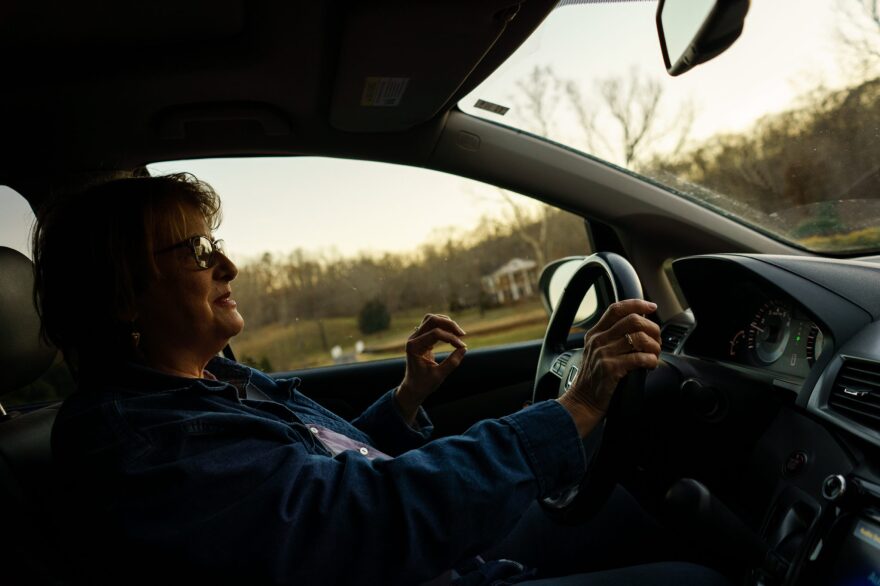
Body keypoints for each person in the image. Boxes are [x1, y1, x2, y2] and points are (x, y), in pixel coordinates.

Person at [33, 173, 727, 585]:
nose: (227, 267)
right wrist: (574, 409)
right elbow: (356, 520)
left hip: (436, 556)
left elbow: (304, 479)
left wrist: (406, 398)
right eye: (196, 252)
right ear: (124, 295)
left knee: (637, 512)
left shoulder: (201, 387)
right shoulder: (137, 442)